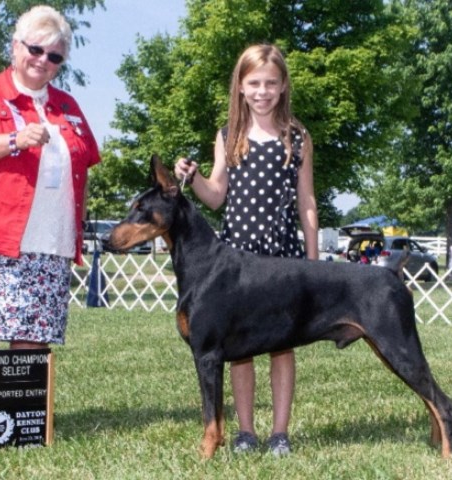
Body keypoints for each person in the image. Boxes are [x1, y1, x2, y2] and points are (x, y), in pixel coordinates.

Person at [174, 44, 318, 455]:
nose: (262, 91)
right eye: (254, 83)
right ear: (240, 86)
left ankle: (279, 433)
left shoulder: (298, 136)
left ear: (284, 85)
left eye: (271, 83)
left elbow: (307, 201)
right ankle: (245, 432)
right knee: (238, 350)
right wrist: (196, 176)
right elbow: (216, 196)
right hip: (236, 256)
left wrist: (311, 261)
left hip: (283, 258)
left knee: (282, 345)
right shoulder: (228, 136)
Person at [0, 5, 100, 358]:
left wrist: (81, 225)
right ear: (15, 47)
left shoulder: (68, 106)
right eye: (35, 49)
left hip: (50, 244)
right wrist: (13, 140)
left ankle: (25, 414)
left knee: (33, 339)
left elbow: (84, 167)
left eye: (55, 56)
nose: (43, 60)